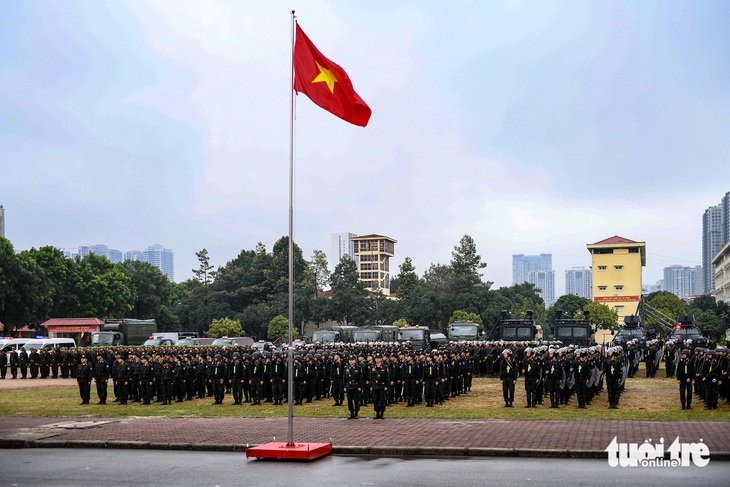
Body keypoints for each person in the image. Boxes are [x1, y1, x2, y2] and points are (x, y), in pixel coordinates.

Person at [370, 353, 389, 419]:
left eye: (378, 358)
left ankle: (382, 412)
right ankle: (377, 412)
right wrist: (371, 385)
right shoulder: (372, 367)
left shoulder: (384, 367)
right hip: (375, 385)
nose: (377, 360)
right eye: (376, 358)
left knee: (382, 400)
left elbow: (387, 377)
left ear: (381, 359)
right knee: (375, 400)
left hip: (382, 385)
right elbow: (370, 377)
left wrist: (386, 386)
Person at [345, 354, 363, 419]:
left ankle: (356, 413)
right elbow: (344, 377)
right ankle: (351, 413)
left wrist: (360, 386)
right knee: (349, 400)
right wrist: (345, 386)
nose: (351, 362)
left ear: (355, 361)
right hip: (348, 386)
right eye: (350, 360)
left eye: (352, 360)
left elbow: (361, 378)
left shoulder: (358, 368)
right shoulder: (346, 368)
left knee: (356, 400)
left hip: (356, 386)